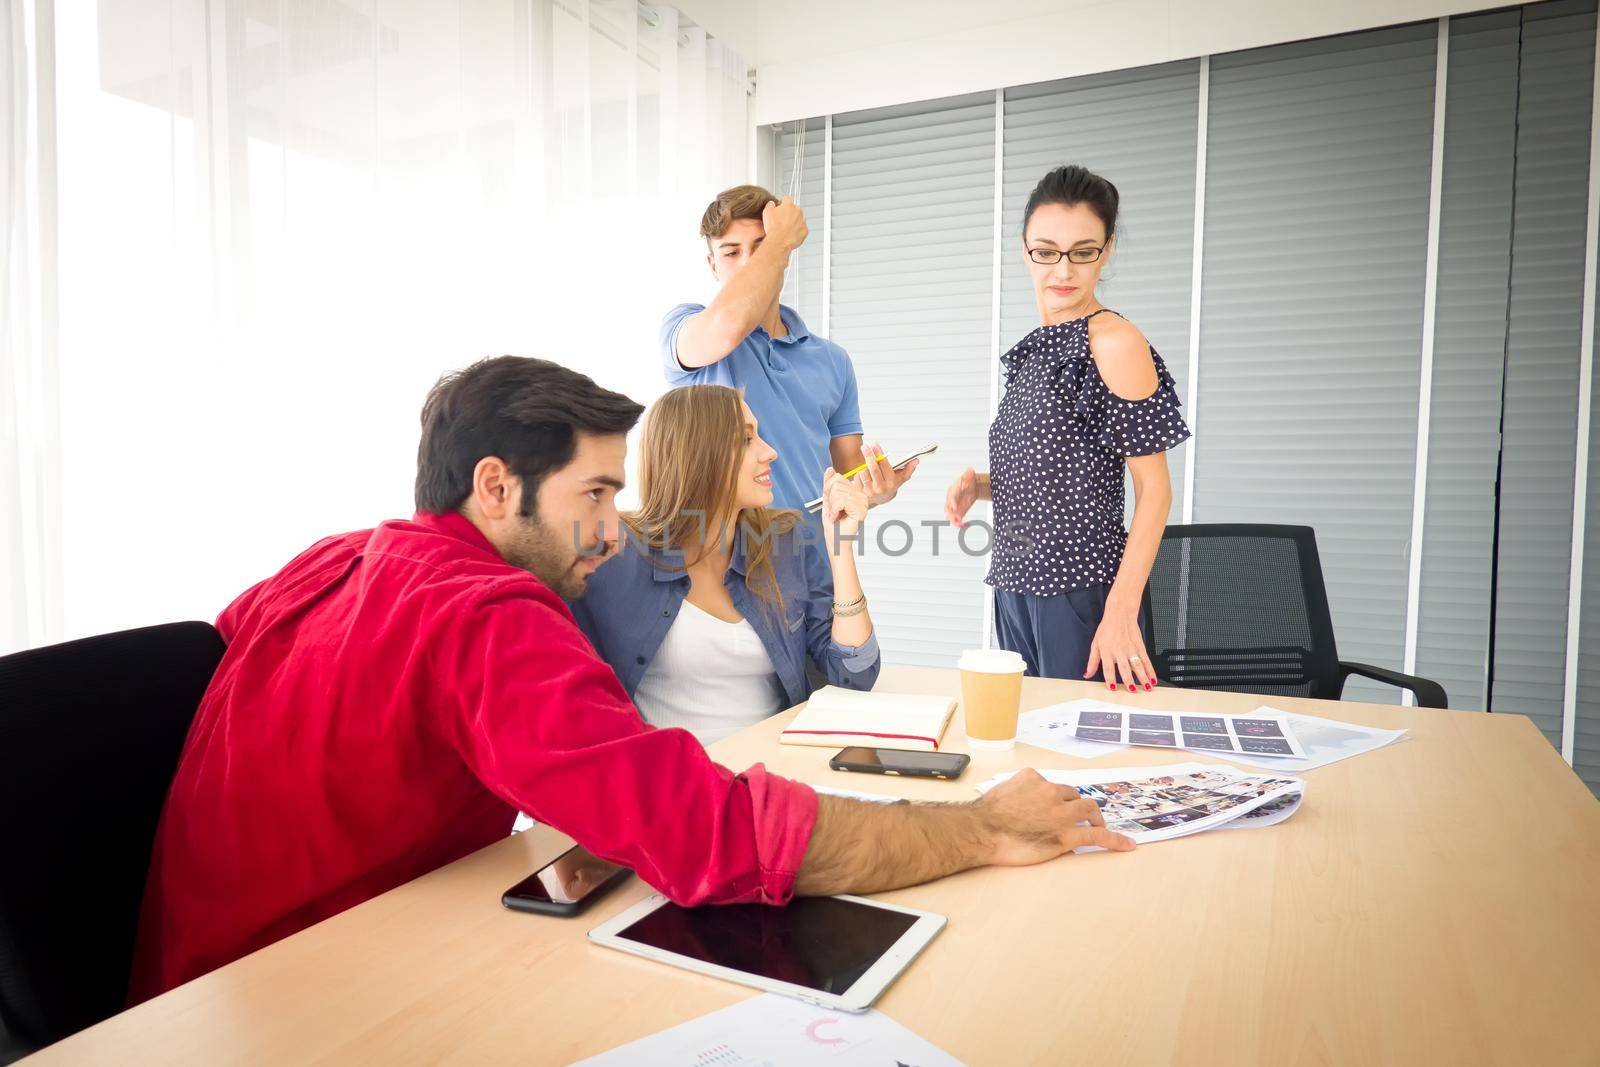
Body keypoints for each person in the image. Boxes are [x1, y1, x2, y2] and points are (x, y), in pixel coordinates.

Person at [129, 356, 1133, 1003]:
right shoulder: (485, 611)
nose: (613, 527)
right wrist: (980, 826)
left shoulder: (325, 558)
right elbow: (711, 833)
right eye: (596, 493)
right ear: (495, 484)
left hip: (193, 985)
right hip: (305, 998)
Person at [945, 165, 1191, 693]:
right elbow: (1061, 470)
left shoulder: (1113, 341)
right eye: (1046, 250)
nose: (1063, 268)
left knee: (1088, 757)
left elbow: (1155, 489)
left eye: (1083, 250)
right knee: (1032, 745)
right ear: (1025, 250)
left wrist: (1121, 612)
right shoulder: (1037, 348)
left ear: (1106, 251)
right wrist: (984, 485)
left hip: (1081, 595)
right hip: (1015, 584)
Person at [569, 384, 878, 745]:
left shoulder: (784, 541)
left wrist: (840, 543)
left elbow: (854, 677)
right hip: (674, 786)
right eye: (747, 440)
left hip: (767, 780)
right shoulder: (614, 552)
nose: (770, 452)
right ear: (697, 454)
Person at [660, 185, 917, 513]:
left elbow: (848, 475)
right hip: (730, 560)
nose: (749, 262)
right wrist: (779, 240)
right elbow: (730, 325)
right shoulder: (686, 329)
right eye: (731, 252)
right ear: (712, 264)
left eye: (760, 246)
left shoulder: (832, 360)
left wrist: (877, 491)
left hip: (816, 557)